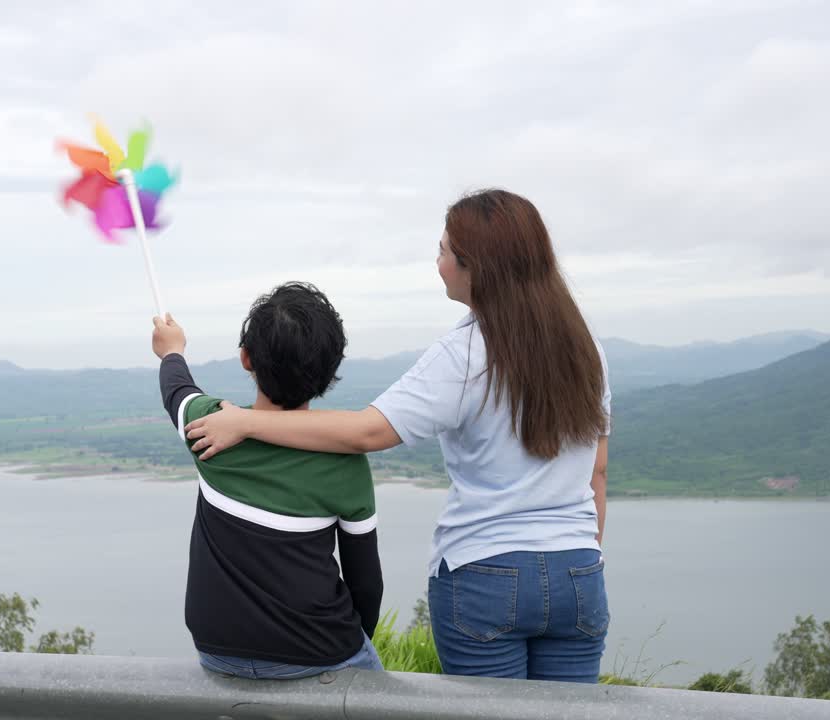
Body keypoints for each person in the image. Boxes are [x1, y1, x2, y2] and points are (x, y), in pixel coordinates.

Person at [185, 189, 612, 682]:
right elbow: (597, 470)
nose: (438, 263)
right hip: (579, 571)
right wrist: (581, 560)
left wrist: (245, 421)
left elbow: (368, 431)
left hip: (487, 572)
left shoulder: (465, 355)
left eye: (444, 251)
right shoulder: (587, 350)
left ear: (477, 268)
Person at [152, 281, 385, 679]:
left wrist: (171, 350)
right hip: (320, 650)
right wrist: (352, 641)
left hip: (218, 650)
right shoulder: (345, 462)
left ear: (246, 358)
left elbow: (176, 390)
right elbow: (366, 582)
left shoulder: (211, 427)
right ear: (330, 372)